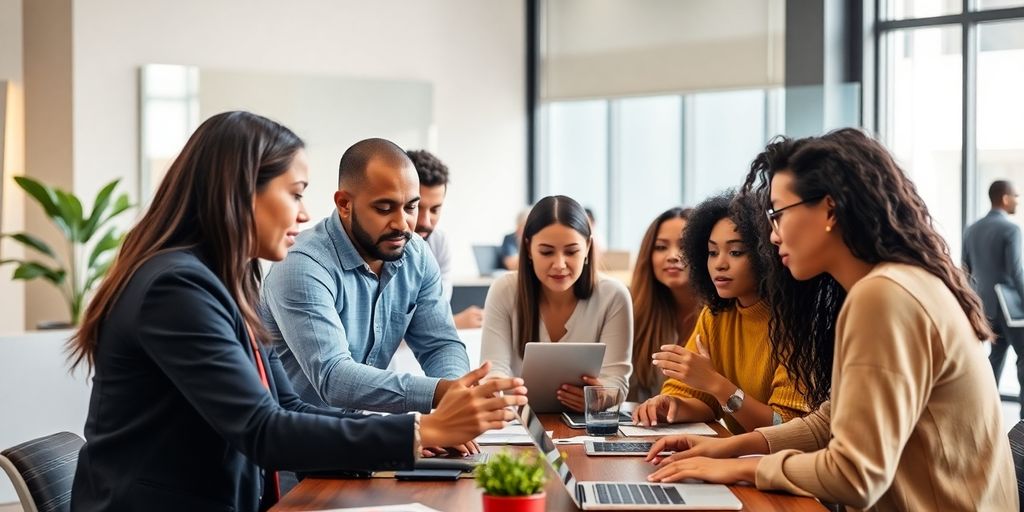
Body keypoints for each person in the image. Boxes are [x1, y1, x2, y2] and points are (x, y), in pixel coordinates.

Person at [67, 112, 527, 512]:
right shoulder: (176, 287)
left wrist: (418, 432)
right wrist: (420, 429)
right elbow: (262, 429)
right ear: (242, 193)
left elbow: (285, 404)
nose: (305, 215)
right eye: (295, 194)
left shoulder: (228, 275)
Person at [645, 129, 1016, 511]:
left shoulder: (884, 296)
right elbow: (829, 422)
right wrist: (729, 447)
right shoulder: (900, 283)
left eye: (778, 214)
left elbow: (856, 476)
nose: (771, 237)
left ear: (829, 210)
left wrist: (747, 468)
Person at [260, 138, 472, 416]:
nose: (402, 224)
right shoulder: (301, 265)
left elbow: (440, 344)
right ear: (345, 204)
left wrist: (454, 404)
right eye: (384, 208)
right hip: (301, 444)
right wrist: (438, 393)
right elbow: (333, 378)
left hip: (365, 434)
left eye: (410, 207)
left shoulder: (416, 254)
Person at [631, 193, 807, 434]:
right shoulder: (715, 315)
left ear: (766, 254)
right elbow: (703, 401)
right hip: (742, 459)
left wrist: (715, 383)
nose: (719, 264)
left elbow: (785, 428)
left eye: (735, 252)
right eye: (712, 252)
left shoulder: (795, 322)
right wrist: (670, 405)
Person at [480, 195, 633, 411]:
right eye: (546, 252)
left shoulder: (614, 295)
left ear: (588, 247)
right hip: (519, 421)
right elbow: (494, 371)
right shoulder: (504, 290)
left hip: (585, 426)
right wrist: (499, 389)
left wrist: (598, 397)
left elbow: (616, 382)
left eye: (571, 251)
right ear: (528, 248)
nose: (560, 264)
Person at [627, 207, 701, 403]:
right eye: (661, 247)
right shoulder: (635, 314)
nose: (672, 256)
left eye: (684, 246)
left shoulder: (720, 317)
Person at [963, 179, 1024, 415]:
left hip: (986, 306)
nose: (1017, 201)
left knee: (995, 357)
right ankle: (1023, 420)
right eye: (1016, 197)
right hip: (1011, 309)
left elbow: (965, 270)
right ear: (1006, 198)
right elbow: (1016, 272)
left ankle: (985, 412)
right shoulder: (1011, 229)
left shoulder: (972, 229)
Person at [406, 149, 484, 329]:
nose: (426, 222)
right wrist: (454, 323)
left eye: (435, 210)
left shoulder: (439, 243)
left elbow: (436, 312)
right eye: (416, 207)